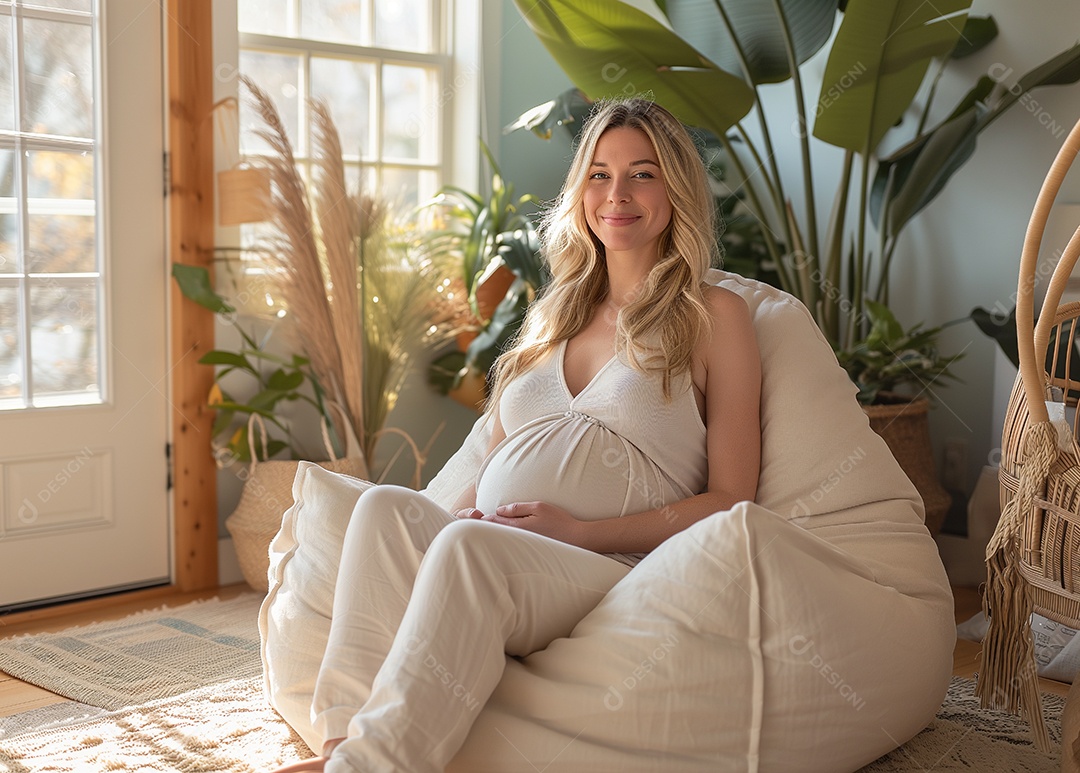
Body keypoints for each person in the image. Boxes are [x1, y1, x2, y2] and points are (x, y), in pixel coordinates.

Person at [270, 97, 762, 773]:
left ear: (675, 189)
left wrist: (579, 531)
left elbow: (733, 498)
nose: (616, 194)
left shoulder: (715, 314)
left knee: (470, 548)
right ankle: (340, 745)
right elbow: (501, 456)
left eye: (642, 174)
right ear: (580, 189)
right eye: (598, 174)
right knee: (385, 509)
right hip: (506, 549)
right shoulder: (554, 313)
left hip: (611, 565)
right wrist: (455, 517)